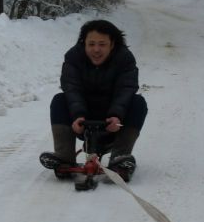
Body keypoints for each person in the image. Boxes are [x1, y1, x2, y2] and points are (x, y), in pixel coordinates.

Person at [40, 19, 148, 182]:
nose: (96, 50)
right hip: (82, 122)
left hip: (115, 124)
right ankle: (64, 158)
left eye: (102, 44)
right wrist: (78, 115)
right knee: (59, 100)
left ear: (112, 45)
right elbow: (72, 89)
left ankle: (120, 159)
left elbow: (126, 90)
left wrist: (116, 116)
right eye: (91, 44)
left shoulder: (124, 59)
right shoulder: (73, 58)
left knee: (138, 102)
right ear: (84, 44)